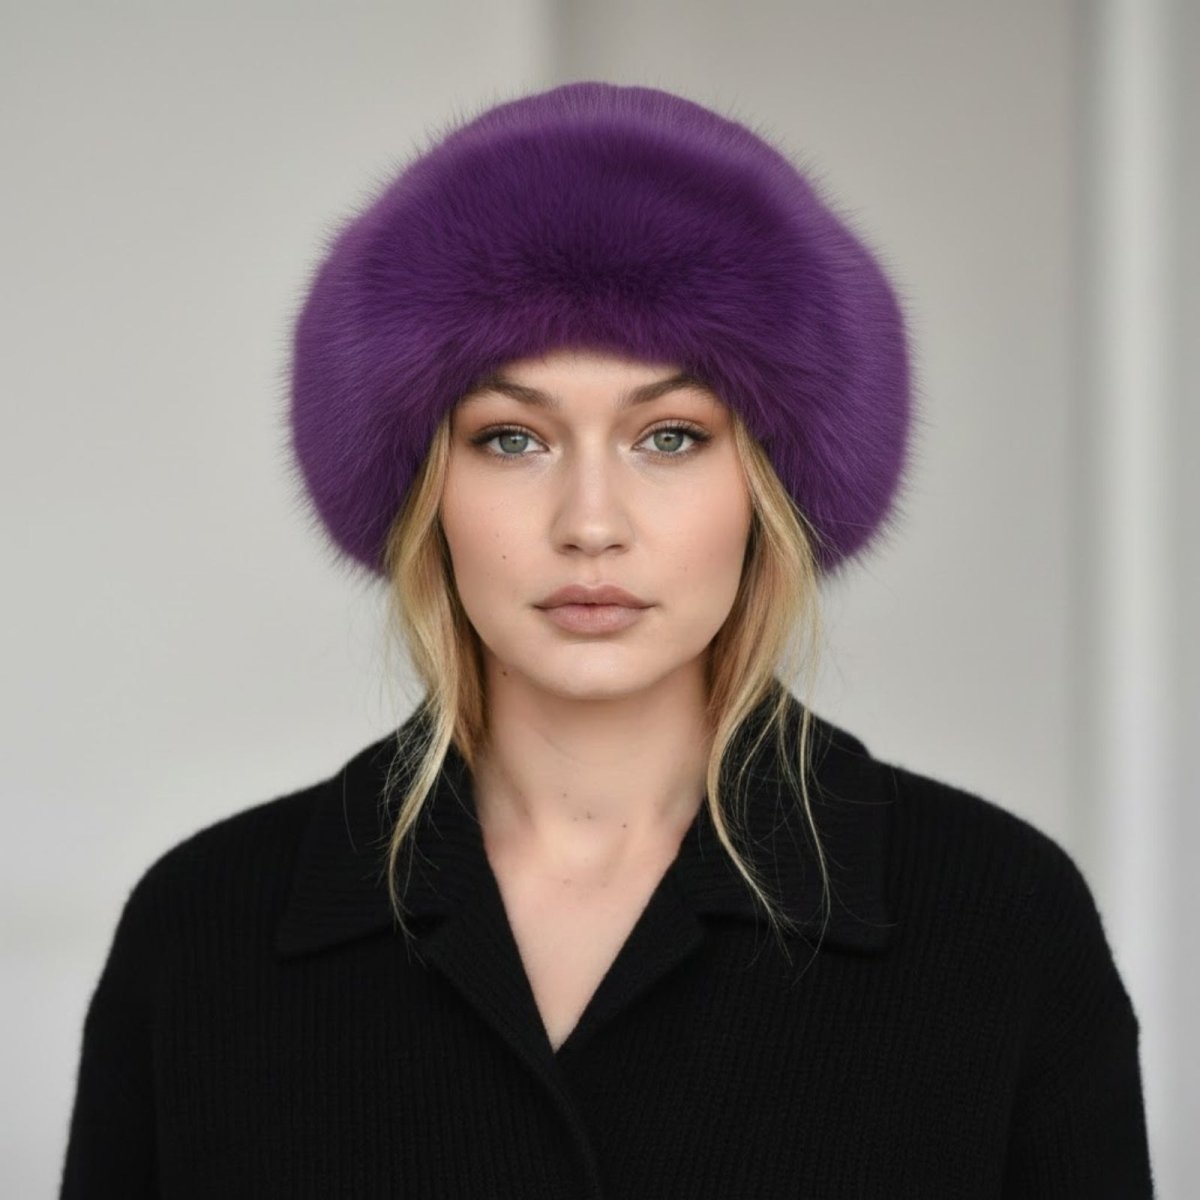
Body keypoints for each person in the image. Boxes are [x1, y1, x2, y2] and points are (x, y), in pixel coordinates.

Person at [59, 81, 1154, 1198]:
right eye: (512, 438)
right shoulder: (210, 930)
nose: (590, 523)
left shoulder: (993, 919)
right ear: (422, 489)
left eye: (670, 436)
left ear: (766, 486)